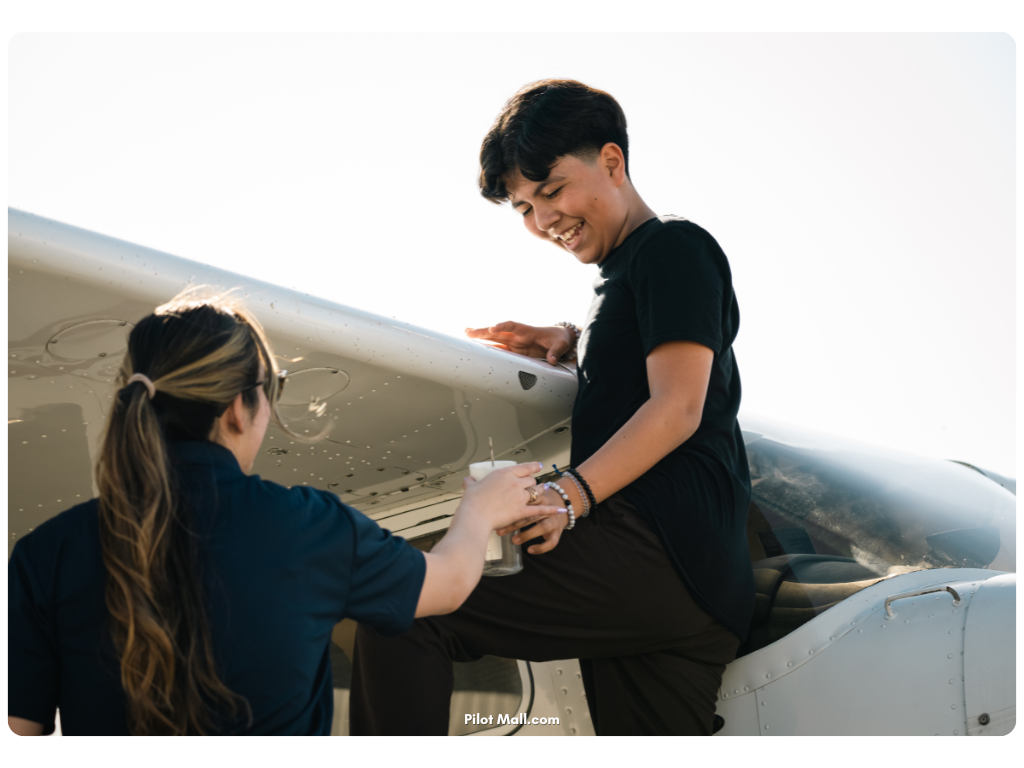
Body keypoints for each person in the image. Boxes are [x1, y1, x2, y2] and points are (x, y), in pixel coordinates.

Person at [351, 79, 755, 738]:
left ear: (613, 162)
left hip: (661, 551)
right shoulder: (628, 278)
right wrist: (577, 344)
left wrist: (570, 494)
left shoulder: (674, 248)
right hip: (696, 593)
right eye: (522, 207)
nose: (542, 221)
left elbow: (679, 406)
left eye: (552, 190)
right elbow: (649, 360)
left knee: (404, 608)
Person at [6, 289, 564, 737]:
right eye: (271, 389)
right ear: (237, 407)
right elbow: (445, 586)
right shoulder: (309, 524)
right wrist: (477, 513)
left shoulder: (44, 552)